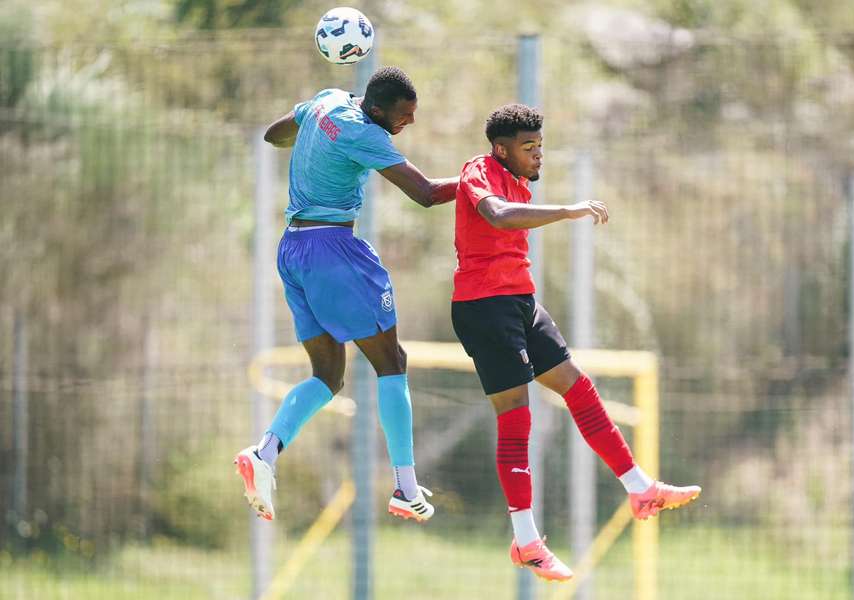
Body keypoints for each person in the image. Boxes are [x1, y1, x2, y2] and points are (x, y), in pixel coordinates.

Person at [450, 103, 701, 581]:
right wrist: (567, 210)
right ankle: (525, 540)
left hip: (520, 302)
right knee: (517, 415)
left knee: (578, 387)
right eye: (528, 148)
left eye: (541, 146)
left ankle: (640, 487)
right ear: (500, 149)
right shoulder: (480, 170)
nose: (538, 155)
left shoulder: (515, 177)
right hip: (484, 308)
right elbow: (498, 216)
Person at [234, 66, 458, 524]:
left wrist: (314, 128)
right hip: (334, 251)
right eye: (403, 116)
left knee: (328, 375)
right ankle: (405, 486)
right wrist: (486, 177)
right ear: (376, 110)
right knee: (391, 361)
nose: (409, 122)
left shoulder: (327, 101)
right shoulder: (365, 134)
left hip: (293, 249)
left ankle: (266, 451)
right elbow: (428, 194)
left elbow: (275, 135)